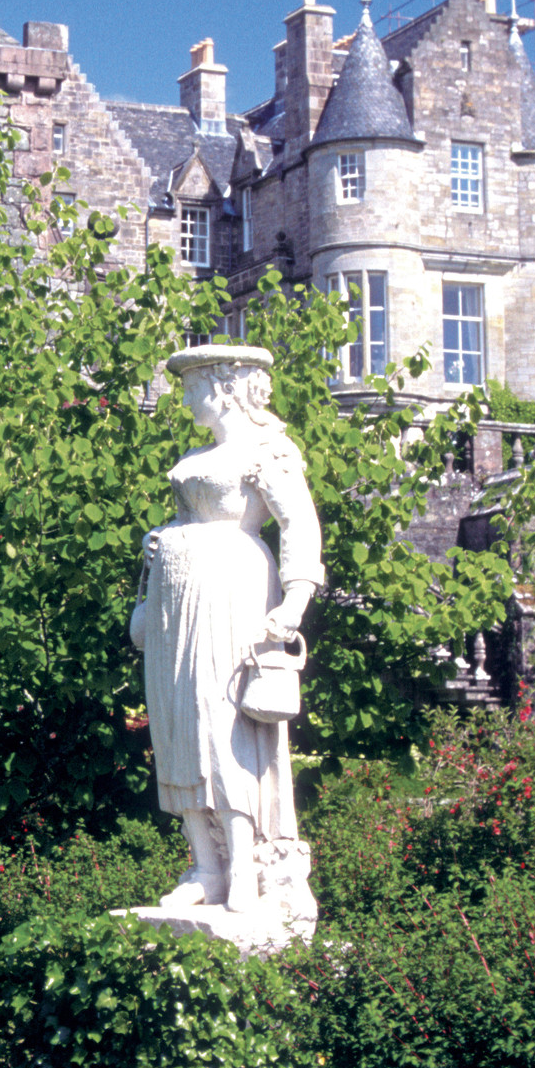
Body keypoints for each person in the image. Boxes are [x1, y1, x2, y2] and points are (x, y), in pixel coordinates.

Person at [129, 345, 322, 914]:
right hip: (177, 600)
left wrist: (295, 602)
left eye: (191, 386)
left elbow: (299, 525)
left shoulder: (268, 452)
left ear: (222, 385)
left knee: (222, 722)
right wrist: (167, 537)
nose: (184, 397)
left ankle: (245, 863)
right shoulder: (197, 454)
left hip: (233, 593)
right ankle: (204, 864)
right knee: (177, 722)